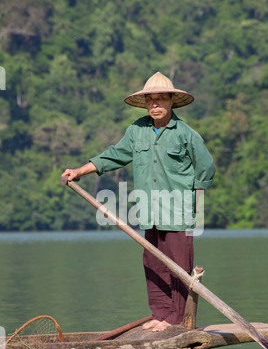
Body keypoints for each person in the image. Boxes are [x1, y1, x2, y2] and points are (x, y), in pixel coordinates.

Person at [61, 72, 216, 332]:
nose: (155, 105)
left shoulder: (186, 134)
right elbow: (114, 156)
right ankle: (160, 314)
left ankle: (176, 319)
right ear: (146, 104)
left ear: (171, 102)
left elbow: (206, 167)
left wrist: (194, 202)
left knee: (178, 266)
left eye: (160, 99)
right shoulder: (137, 130)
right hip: (148, 210)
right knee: (153, 262)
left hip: (177, 211)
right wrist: (78, 171)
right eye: (150, 100)